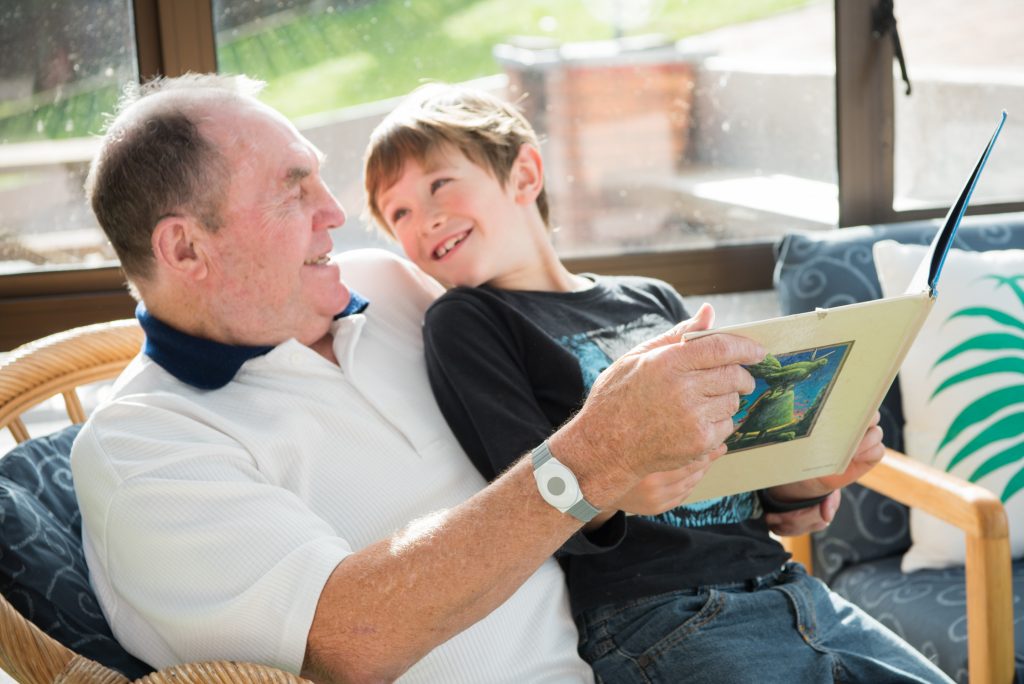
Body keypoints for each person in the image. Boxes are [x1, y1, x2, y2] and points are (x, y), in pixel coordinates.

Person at [70, 72, 806, 683]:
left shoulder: (390, 284)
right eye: (293, 192)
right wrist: (598, 456)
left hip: (683, 641)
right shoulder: (144, 448)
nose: (334, 214)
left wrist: (766, 478)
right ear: (186, 248)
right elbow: (348, 637)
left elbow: (557, 394)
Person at [362, 83, 953, 683]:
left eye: (438, 185)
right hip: (657, 615)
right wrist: (616, 484)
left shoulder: (651, 298)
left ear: (525, 175)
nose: (423, 218)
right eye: (398, 213)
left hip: (788, 584)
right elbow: (530, 494)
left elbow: (732, 463)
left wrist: (807, 481)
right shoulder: (468, 322)